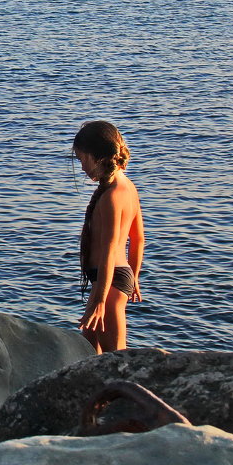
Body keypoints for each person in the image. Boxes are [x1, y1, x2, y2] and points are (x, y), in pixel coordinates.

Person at [73, 120, 145, 353]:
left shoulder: (112, 197)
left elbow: (108, 252)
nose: (82, 167)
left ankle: (132, 390)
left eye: (82, 159)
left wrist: (101, 300)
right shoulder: (128, 186)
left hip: (109, 283)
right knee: (88, 350)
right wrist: (134, 276)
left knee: (116, 358)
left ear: (99, 158)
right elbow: (138, 239)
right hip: (110, 281)